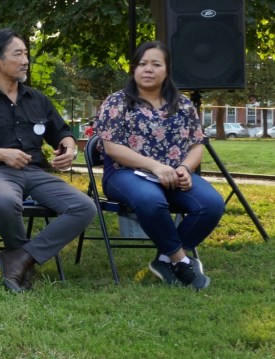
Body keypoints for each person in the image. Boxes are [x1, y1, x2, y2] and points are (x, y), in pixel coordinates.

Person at [0, 28, 95, 292]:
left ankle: (21, 258)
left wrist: (69, 147)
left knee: (84, 207)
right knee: (5, 201)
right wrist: (1, 154)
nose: (25, 60)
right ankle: (19, 256)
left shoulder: (38, 100)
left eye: (26, 54)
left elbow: (61, 133)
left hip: (35, 174)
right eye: (17, 54)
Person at [94, 41, 222, 289]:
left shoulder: (183, 104)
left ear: (167, 70)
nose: (148, 69)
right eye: (142, 64)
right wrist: (155, 167)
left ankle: (165, 260)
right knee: (150, 199)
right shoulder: (117, 102)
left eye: (156, 64)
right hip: (125, 174)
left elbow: (197, 145)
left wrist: (185, 168)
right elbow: (112, 149)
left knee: (211, 204)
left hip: (174, 175)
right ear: (133, 69)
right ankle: (181, 261)